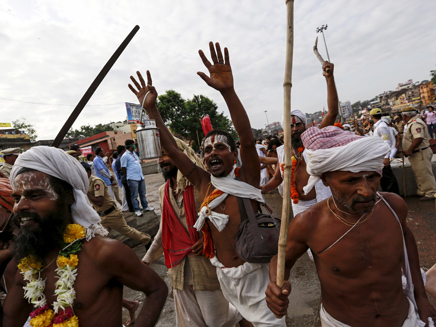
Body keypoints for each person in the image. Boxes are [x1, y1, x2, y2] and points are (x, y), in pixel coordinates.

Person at [129, 42, 284, 326]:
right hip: (223, 278)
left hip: (256, 277)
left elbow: (247, 139)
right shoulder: (202, 182)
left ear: (234, 155)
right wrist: (153, 112)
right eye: (207, 150)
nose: (213, 152)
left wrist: (228, 91)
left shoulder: (247, 179)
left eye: (221, 147)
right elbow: (174, 151)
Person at [266, 126, 436, 326]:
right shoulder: (309, 223)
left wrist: (421, 298)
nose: (366, 191)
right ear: (325, 179)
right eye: (351, 180)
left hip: (403, 318)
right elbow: (282, 261)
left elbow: (407, 244)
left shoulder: (394, 207)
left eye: (372, 177)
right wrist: (275, 286)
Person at [4, 146, 167, 327]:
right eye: (17, 199)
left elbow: (157, 289)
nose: (20, 206)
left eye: (34, 195)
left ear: (69, 197)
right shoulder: (27, 265)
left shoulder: (104, 252)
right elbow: (10, 320)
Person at [142, 138, 243, 327]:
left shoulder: (202, 185)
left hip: (205, 265)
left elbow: (227, 218)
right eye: (160, 155)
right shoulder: (163, 191)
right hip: (178, 268)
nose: (161, 160)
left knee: (216, 322)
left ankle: (239, 314)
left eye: (166, 154)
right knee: (190, 324)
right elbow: (164, 230)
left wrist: (208, 237)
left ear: (181, 156)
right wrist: (146, 260)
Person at [262, 61, 338, 217]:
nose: (295, 129)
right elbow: (277, 178)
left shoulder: (314, 141)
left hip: (323, 202)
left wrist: (329, 78)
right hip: (298, 207)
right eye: (291, 126)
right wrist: (259, 190)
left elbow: (332, 113)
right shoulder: (283, 151)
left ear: (305, 125)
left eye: (298, 125)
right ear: (285, 130)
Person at [82, 162, 151, 248]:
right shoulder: (86, 184)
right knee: (101, 239)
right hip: (101, 217)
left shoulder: (96, 182)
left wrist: (85, 192)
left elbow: (99, 202)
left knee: (128, 232)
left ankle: (146, 239)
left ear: (87, 172)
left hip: (112, 215)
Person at [401, 106, 436, 201]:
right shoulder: (412, 122)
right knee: (419, 174)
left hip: (420, 152)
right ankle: (423, 191)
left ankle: (430, 193)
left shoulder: (415, 123)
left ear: (404, 115)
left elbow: (418, 138)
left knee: (424, 173)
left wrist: (409, 150)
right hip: (417, 153)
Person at [370, 108, 400, 194]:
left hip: (383, 155)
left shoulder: (382, 126)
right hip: (380, 155)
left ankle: (394, 196)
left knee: (388, 177)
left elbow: (387, 142)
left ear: (371, 117)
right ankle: (388, 195)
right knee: (383, 177)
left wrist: (386, 157)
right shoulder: (378, 126)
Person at [121, 140, 154, 217]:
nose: (134, 146)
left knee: (142, 193)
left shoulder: (134, 154)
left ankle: (145, 206)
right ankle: (137, 210)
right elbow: (123, 168)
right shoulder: (125, 156)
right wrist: (128, 175)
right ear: (130, 146)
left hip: (140, 176)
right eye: (133, 145)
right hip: (132, 178)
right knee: (134, 195)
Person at [115, 145, 134, 212]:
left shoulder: (117, 160)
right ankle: (131, 208)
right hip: (126, 178)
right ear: (123, 150)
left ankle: (130, 208)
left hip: (123, 178)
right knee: (129, 194)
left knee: (127, 194)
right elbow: (123, 169)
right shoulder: (122, 158)